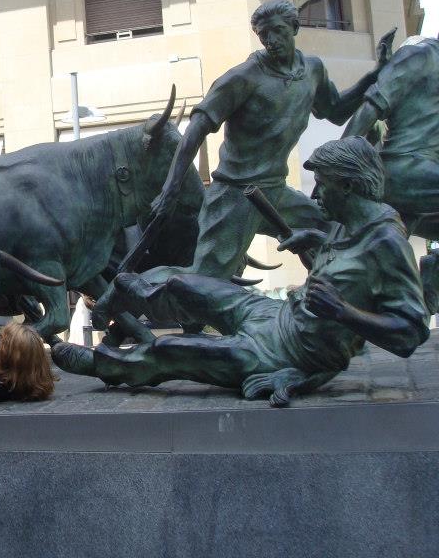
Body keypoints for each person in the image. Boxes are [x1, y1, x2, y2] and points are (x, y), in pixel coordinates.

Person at [52, 137, 430, 407]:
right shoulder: (348, 224)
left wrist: (343, 313)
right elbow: (345, 275)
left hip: (291, 352)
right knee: (183, 284)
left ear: (349, 186)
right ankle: (135, 294)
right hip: (277, 315)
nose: (315, 196)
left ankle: (104, 364)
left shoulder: (386, 242)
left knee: (169, 349)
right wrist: (314, 242)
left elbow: (409, 334)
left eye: (324, 186)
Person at [141, 0, 395, 282]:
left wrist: (375, 73)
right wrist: (170, 189)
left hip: (275, 191)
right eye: (264, 36)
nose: (271, 41)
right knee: (206, 282)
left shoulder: (312, 71)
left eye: (277, 31)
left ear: (295, 28)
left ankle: (333, 296)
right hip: (234, 194)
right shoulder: (243, 78)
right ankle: (134, 289)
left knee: (337, 226)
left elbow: (335, 111)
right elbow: (196, 128)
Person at [341, 36, 439, 237]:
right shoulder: (419, 54)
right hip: (402, 168)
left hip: (425, 172)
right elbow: (370, 108)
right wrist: (335, 165)